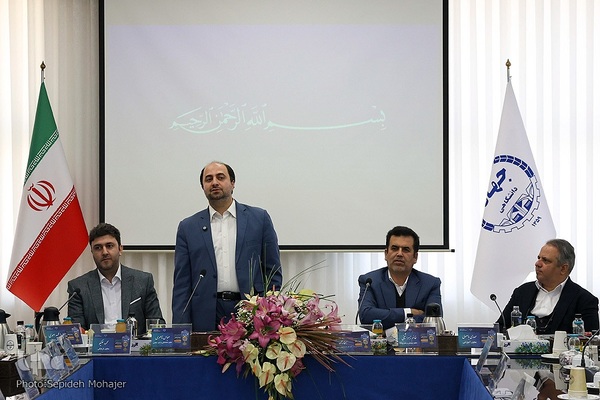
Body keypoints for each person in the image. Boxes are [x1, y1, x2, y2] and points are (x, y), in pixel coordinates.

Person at [172, 161, 282, 332]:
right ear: (203, 187)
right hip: (206, 313)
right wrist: (180, 327)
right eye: (209, 179)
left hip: (250, 311)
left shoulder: (259, 219)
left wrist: (270, 313)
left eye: (220, 177)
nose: (214, 182)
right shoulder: (188, 227)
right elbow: (182, 284)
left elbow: (273, 271)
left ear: (232, 183)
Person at [67, 223, 164, 334]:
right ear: (92, 252)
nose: (104, 252)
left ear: (120, 249)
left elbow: (157, 324)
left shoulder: (143, 281)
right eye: (98, 248)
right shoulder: (78, 287)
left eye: (109, 246)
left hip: (134, 344)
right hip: (97, 345)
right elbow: (76, 332)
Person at [497, 239, 599, 334]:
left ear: (563, 268)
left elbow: (591, 339)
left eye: (545, 260)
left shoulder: (584, 300)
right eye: (539, 258)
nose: (537, 263)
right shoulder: (522, 292)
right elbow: (500, 328)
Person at [357, 226, 442, 329]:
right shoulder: (369, 281)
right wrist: (408, 312)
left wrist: (389, 325)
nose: (399, 254)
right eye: (394, 248)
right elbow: (366, 315)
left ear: (415, 257)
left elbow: (433, 321)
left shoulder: (430, 283)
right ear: (386, 254)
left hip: (416, 340)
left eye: (406, 250)